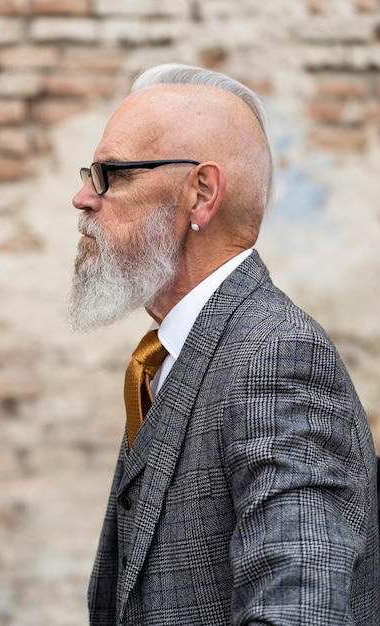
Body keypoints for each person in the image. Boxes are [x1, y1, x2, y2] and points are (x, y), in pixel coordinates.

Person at [68, 63, 380, 625]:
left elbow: (301, 611)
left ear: (201, 193)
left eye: (111, 174)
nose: (83, 198)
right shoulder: (175, 350)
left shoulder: (277, 359)